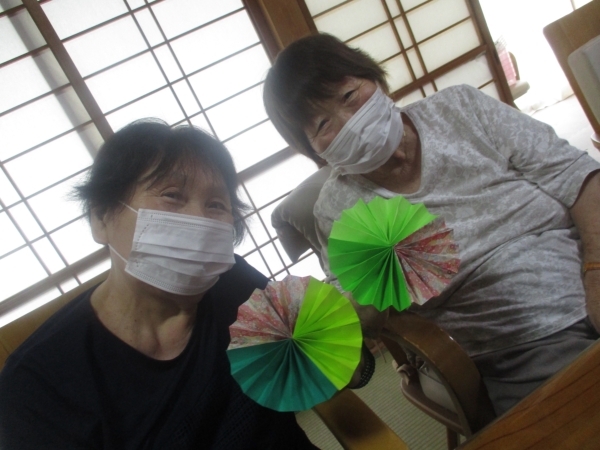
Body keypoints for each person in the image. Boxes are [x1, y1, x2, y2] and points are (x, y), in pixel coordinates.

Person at [263, 33, 600, 417]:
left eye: (349, 96)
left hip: (587, 263)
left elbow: (576, 172)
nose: (350, 123)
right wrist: (362, 301)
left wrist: (595, 269)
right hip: (523, 342)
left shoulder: (461, 107)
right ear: (312, 149)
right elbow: (357, 311)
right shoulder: (339, 208)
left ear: (375, 78)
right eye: (323, 124)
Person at [0, 120, 319, 449]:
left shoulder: (234, 282)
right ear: (101, 218)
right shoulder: (36, 384)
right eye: (172, 196)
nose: (198, 220)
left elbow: (313, 363)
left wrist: (333, 333)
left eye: (216, 205)